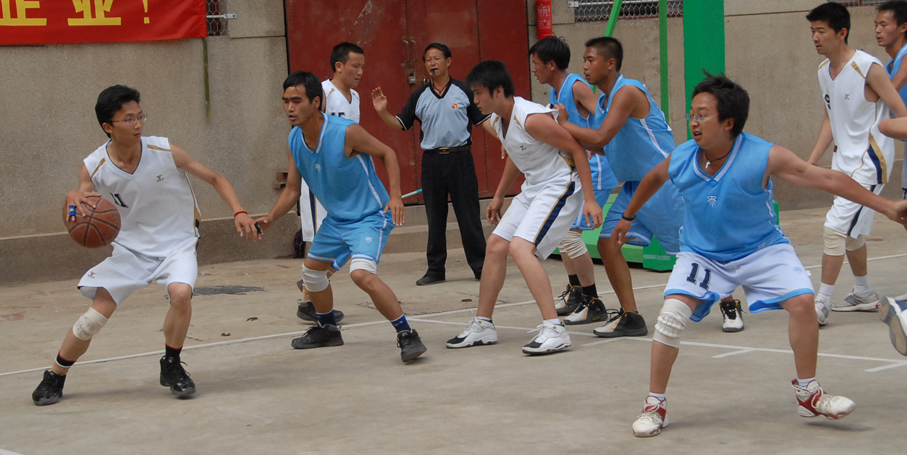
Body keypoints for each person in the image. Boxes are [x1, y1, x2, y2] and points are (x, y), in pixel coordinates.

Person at [625, 74, 907, 437]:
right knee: (670, 317)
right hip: (702, 254)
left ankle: (808, 393)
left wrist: (887, 207)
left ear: (728, 122)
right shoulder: (682, 156)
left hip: (761, 249)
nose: (693, 122)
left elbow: (827, 179)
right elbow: (653, 178)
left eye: (702, 115)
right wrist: (628, 217)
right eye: (691, 114)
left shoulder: (763, 155)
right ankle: (654, 404)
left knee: (803, 302)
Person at [31, 85, 260, 406]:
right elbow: (80, 197)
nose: (138, 124)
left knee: (181, 294)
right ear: (108, 126)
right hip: (130, 249)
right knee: (94, 317)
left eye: (140, 116)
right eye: (129, 119)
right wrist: (71, 197)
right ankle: (55, 374)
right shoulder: (95, 165)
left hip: (177, 242)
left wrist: (239, 211)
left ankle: (172, 364)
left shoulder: (164, 150)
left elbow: (215, 178)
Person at [554, 37, 744, 336]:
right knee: (607, 243)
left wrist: (564, 124)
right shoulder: (603, 102)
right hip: (635, 186)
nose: (585, 66)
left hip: (664, 183)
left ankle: (729, 303)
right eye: (584, 60)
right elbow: (606, 146)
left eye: (591, 60)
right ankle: (631, 316)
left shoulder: (628, 91)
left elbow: (601, 137)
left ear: (610, 63)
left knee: (694, 249)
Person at [256, 71, 427, 363]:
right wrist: (271, 218)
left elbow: (387, 153)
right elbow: (293, 189)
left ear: (316, 102)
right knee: (311, 273)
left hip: (369, 217)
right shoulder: (294, 139)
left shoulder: (346, 132)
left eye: (296, 101)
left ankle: (407, 334)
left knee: (361, 274)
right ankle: (328, 329)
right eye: (285, 101)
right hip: (336, 221)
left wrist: (396, 196)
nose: (290, 108)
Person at [444, 60, 602, 355]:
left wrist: (590, 200)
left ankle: (555, 329)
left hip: (560, 184)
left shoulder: (531, 118)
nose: (475, 100)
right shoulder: (497, 121)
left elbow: (577, 150)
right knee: (496, 246)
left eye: (478, 93)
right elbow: (517, 155)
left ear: (497, 90)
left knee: (520, 248)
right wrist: (499, 195)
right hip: (534, 187)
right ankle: (483, 324)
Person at [806, 2, 907, 324]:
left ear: (842, 32)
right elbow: (830, 117)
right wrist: (812, 161)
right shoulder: (823, 71)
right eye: (812, 31)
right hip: (842, 163)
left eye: (821, 31)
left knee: (834, 228)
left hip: (870, 163)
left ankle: (821, 303)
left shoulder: (868, 67)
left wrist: (888, 130)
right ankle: (863, 292)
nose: (815, 37)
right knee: (852, 232)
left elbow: (901, 112)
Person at [372, 42, 488, 286]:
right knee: (435, 218)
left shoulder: (464, 90)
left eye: (436, 58)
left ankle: (481, 267)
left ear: (448, 61)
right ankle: (435, 270)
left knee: (468, 216)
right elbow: (401, 124)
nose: (432, 63)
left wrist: (506, 140)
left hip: (460, 159)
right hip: (433, 161)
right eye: (428, 60)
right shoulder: (419, 95)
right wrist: (382, 112)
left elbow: (484, 121)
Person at [528, 36, 618, 324]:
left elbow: (605, 120)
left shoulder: (576, 86)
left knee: (569, 234)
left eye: (536, 64)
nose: (533, 70)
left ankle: (592, 301)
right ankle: (578, 292)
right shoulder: (556, 92)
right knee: (562, 233)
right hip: (578, 171)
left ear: (551, 65)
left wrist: (591, 142)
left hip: (596, 169)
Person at [296, 42, 365, 324]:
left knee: (347, 240)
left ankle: (309, 290)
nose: (360, 72)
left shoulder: (356, 97)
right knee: (319, 241)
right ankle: (309, 300)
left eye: (362, 67)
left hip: (344, 183)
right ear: (338, 66)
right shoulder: (322, 93)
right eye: (355, 66)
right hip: (321, 180)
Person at [875, 1, 907, 302]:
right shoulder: (888, 66)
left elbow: (887, 93)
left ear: (903, 27)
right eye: (876, 24)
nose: (878, 30)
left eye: (884, 24)